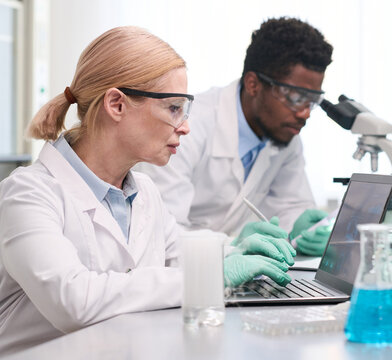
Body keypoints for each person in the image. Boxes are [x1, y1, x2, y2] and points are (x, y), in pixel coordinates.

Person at [0, 26, 294, 356]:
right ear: (116, 104)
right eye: (173, 108)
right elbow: (73, 301)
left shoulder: (144, 191)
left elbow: (179, 257)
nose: (185, 126)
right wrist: (211, 275)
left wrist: (233, 249)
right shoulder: (27, 194)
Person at [139, 17, 334, 256]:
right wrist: (232, 246)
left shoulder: (285, 135)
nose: (305, 113)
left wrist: (299, 230)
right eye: (294, 97)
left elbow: (290, 207)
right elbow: (161, 231)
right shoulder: (187, 126)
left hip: (230, 271)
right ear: (253, 84)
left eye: (312, 101)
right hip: (178, 275)